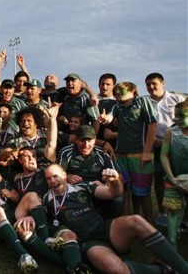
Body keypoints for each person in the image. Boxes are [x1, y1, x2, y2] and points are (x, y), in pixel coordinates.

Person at [43, 164, 188, 274]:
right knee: (115, 268)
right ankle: (162, 269)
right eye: (48, 178)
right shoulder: (46, 199)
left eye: (55, 176)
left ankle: (183, 268)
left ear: (64, 175)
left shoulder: (82, 187)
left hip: (105, 229)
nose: (52, 181)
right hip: (88, 242)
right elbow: (43, 220)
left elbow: (115, 193)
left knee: (136, 220)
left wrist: (114, 180)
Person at [99, 82, 157, 222]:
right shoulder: (117, 106)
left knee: (142, 192)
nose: (117, 93)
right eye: (116, 91)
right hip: (121, 154)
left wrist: (147, 152)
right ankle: (127, 221)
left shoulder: (142, 102)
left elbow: (152, 126)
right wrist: (105, 119)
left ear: (132, 90)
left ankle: (149, 224)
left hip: (140, 154)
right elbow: (110, 118)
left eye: (121, 90)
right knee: (125, 190)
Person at [145, 72, 186, 227]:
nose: (151, 87)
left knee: (181, 178)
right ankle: (163, 214)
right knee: (160, 179)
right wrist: (153, 139)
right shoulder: (145, 102)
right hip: (155, 145)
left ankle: (183, 216)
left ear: (163, 83)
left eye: (154, 83)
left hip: (177, 145)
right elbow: (145, 124)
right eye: (148, 84)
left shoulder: (177, 99)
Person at [58, 125, 123, 219]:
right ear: (76, 140)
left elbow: (119, 177)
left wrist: (105, 185)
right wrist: (68, 177)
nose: (86, 144)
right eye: (82, 140)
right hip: (75, 190)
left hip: (98, 189)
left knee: (118, 200)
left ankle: (108, 222)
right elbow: (56, 175)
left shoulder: (103, 153)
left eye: (89, 140)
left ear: (95, 140)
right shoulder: (66, 152)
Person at [160, 100, 188, 249]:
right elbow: (164, 156)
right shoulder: (171, 132)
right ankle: (172, 241)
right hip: (174, 179)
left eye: (181, 115)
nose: (176, 119)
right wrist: (171, 177)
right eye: (175, 115)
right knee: (173, 211)